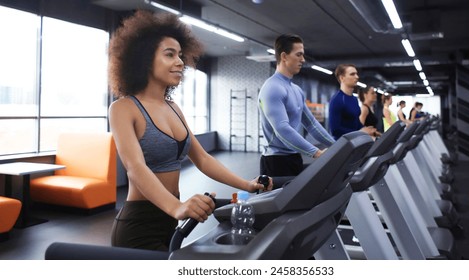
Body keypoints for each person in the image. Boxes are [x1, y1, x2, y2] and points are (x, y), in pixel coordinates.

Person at [107, 10, 272, 252]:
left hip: (169, 221)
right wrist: (177, 206)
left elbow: (202, 158)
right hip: (137, 226)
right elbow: (135, 169)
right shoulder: (123, 108)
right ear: (144, 59)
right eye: (169, 54)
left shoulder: (173, 108)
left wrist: (246, 185)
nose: (180, 62)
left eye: (181, 55)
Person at [258, 34, 335, 177]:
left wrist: (337, 146)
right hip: (275, 162)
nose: (303, 60)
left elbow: (311, 124)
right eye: (298, 55)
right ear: (284, 56)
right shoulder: (272, 88)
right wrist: (316, 152)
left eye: (303, 55)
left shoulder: (296, 90)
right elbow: (282, 129)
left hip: (294, 157)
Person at [328, 64, 376, 140]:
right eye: (352, 74)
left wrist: (367, 130)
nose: (357, 77)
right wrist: (360, 132)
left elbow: (356, 122)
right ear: (342, 78)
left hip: (355, 142)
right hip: (343, 146)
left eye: (356, 74)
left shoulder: (354, 99)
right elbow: (335, 130)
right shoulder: (337, 100)